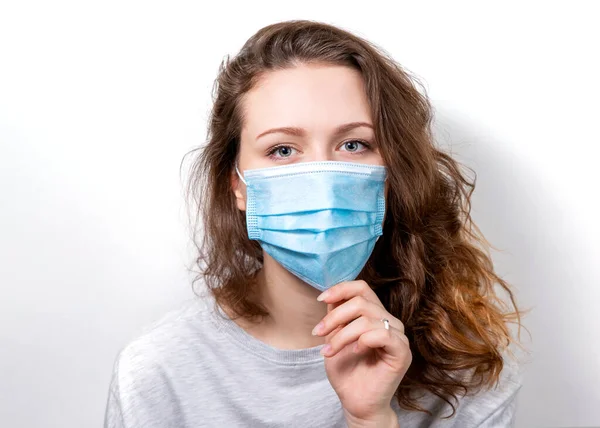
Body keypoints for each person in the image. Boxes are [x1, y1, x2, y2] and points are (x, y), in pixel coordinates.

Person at [103, 20, 525, 428]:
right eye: (283, 150)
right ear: (239, 186)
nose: (322, 178)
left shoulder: (466, 375)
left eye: (354, 144)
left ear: (393, 174)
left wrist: (371, 422)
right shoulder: (157, 372)